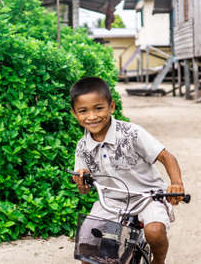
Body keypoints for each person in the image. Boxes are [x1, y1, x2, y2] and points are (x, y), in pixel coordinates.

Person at [70, 76, 185, 264]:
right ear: (75, 113)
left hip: (147, 196)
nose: (92, 116)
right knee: (87, 246)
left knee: (154, 232)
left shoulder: (132, 133)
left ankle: (159, 260)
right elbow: (85, 189)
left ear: (111, 106)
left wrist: (176, 184)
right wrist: (82, 182)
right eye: (83, 111)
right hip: (111, 201)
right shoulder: (82, 147)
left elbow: (167, 157)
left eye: (98, 108)